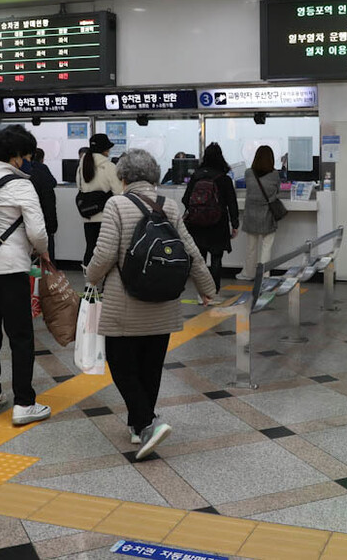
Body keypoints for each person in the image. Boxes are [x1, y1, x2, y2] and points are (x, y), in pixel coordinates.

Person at [86, 149, 216, 459]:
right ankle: (137, 424)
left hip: (125, 302)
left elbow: (104, 255)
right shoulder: (169, 205)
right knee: (150, 365)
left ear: (124, 177)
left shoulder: (116, 204)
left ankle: (147, 422)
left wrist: (90, 278)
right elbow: (191, 252)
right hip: (164, 302)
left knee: (119, 363)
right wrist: (206, 288)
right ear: (154, 176)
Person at [0, 126, 52, 426]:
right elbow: (38, 232)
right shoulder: (21, 186)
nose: (28, 161)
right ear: (16, 158)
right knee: (20, 336)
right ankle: (24, 403)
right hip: (10, 269)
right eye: (27, 155)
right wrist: (42, 251)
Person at [182, 143, 239, 296]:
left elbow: (185, 199)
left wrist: (198, 210)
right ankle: (213, 292)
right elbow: (232, 203)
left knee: (199, 261)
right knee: (216, 259)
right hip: (218, 224)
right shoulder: (224, 179)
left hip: (197, 225)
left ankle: (202, 293)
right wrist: (235, 224)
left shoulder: (196, 176)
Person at [77, 133, 122, 265]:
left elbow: (80, 187)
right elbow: (119, 193)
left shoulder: (82, 165)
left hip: (88, 215)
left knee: (90, 248)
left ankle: (90, 282)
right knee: (107, 251)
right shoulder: (109, 167)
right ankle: (105, 282)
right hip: (106, 216)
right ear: (105, 149)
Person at [237, 146, 281, 281]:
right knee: (267, 247)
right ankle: (264, 275)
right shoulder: (275, 174)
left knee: (251, 247)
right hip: (267, 214)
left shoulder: (248, 173)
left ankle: (248, 274)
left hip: (251, 214)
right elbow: (277, 191)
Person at [29, 147, 58, 261]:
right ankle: (49, 276)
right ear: (42, 159)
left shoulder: (22, 171)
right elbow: (53, 183)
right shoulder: (42, 170)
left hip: (27, 221)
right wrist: (52, 226)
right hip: (44, 218)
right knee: (47, 252)